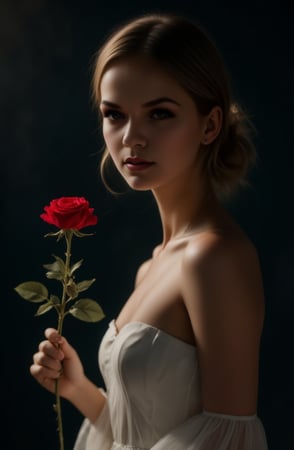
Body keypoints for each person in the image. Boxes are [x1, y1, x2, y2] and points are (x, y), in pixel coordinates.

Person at [30, 13, 269, 450]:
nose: (131, 138)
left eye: (159, 113)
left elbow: (228, 438)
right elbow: (139, 435)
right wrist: (78, 388)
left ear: (209, 125)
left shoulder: (215, 258)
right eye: (114, 114)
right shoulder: (154, 265)